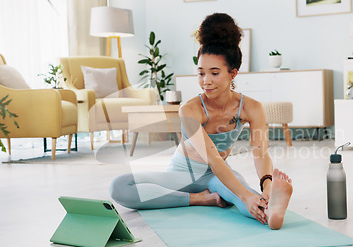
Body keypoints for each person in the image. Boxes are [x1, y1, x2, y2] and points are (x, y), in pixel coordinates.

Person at [109, 13, 293, 230]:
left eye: (214, 73)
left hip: (217, 176)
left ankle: (272, 211)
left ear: (232, 73)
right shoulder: (190, 109)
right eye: (201, 73)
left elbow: (260, 152)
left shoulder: (251, 107)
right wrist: (216, 195)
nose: (206, 81)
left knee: (246, 198)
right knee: (119, 187)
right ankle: (200, 199)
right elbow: (213, 158)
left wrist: (267, 187)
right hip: (179, 175)